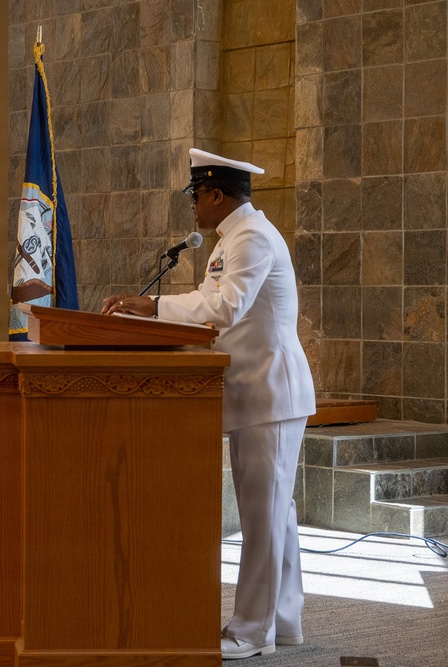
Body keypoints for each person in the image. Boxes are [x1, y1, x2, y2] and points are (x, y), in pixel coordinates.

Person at [102, 149, 316, 660]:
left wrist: (150, 306)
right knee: (274, 514)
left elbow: (224, 308)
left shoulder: (254, 238)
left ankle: (250, 631)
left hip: (270, 392)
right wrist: (150, 316)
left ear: (217, 194)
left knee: (263, 516)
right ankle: (283, 621)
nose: (193, 207)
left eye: (196, 196)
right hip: (254, 392)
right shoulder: (234, 238)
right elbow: (205, 302)